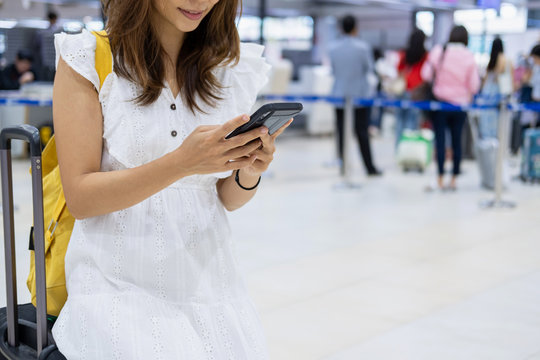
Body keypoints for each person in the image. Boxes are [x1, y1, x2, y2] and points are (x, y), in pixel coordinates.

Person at [51, 0, 291, 358]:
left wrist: (249, 170)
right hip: (116, 286)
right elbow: (81, 198)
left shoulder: (228, 72)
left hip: (213, 287)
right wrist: (181, 163)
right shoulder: (88, 58)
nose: (199, 3)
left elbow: (225, 198)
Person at [421, 25, 480, 190]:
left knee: (440, 141)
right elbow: (474, 86)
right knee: (457, 142)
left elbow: (425, 75)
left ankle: (440, 177)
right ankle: (454, 179)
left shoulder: (440, 50)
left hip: (440, 103)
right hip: (460, 106)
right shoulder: (469, 56)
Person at [329, 15, 381, 176]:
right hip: (360, 96)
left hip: (339, 95)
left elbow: (334, 70)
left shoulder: (333, 48)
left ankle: (343, 167)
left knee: (341, 133)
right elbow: (369, 69)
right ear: (355, 28)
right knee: (362, 133)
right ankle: (369, 167)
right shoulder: (363, 48)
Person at [395, 29, 428, 148]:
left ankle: (399, 150)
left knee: (399, 123)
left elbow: (399, 71)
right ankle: (408, 151)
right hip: (416, 93)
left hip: (402, 91)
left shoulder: (404, 54)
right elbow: (426, 76)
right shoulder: (425, 56)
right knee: (412, 125)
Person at [478, 37, 514, 139]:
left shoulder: (492, 60)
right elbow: (507, 77)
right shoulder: (505, 59)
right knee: (498, 122)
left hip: (488, 93)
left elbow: (486, 78)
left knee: (486, 121)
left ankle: (488, 142)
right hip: (498, 93)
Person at [34, 11, 62, 81]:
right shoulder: (59, 32)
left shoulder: (42, 33)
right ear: (55, 19)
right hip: (51, 60)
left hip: (46, 59)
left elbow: (37, 46)